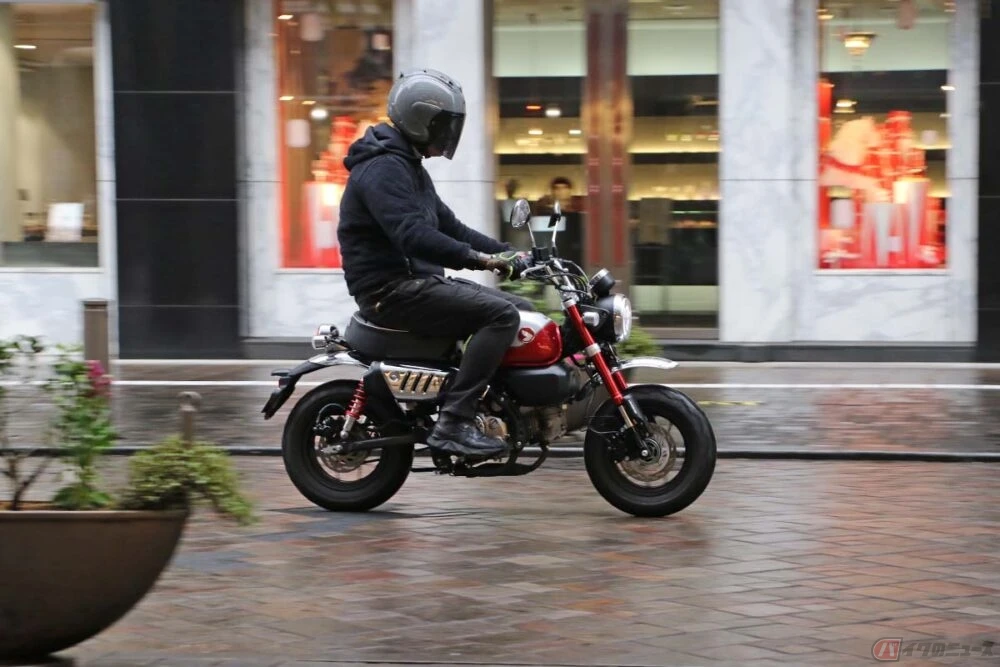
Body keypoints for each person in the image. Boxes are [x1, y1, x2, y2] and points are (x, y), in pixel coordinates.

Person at [338, 68, 532, 459]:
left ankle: (500, 408)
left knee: (523, 310)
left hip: (416, 284)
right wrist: (481, 261)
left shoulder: (408, 166)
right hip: (390, 290)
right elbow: (412, 235)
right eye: (444, 124)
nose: (449, 133)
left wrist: (511, 253)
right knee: (501, 317)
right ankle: (453, 423)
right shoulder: (382, 168)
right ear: (420, 119)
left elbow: (451, 227)